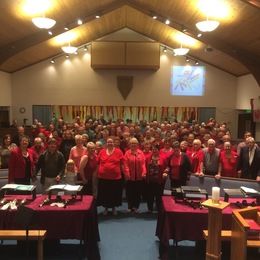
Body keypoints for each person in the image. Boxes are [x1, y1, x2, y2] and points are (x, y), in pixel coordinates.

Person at [97, 138, 124, 215]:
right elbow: (98, 163)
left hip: (115, 177)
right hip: (103, 177)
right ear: (106, 143)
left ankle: (113, 208)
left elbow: (122, 163)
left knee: (114, 193)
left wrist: (124, 173)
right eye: (108, 142)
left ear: (113, 143)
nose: (110, 143)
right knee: (105, 194)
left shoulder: (119, 151)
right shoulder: (102, 151)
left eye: (111, 142)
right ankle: (105, 208)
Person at [124, 138, 146, 213]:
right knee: (130, 192)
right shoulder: (127, 153)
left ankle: (136, 207)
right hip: (130, 177)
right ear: (129, 145)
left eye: (135, 143)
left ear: (137, 145)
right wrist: (127, 174)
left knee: (137, 193)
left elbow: (143, 164)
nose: (133, 145)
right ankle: (130, 207)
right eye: (132, 143)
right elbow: (125, 164)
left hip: (139, 177)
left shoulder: (141, 153)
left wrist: (144, 173)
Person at [145, 144, 167, 213]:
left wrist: (165, 172)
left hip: (159, 181)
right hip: (150, 180)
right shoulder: (148, 158)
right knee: (149, 196)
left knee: (158, 196)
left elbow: (167, 167)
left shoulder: (163, 158)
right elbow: (144, 167)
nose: (154, 151)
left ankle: (158, 209)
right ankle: (150, 209)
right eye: (153, 149)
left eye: (156, 149)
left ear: (158, 150)